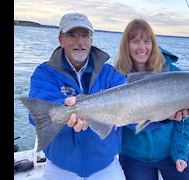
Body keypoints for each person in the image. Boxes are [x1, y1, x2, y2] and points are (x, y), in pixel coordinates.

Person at [27, 12, 127, 180]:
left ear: (91, 40)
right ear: (60, 40)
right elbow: (36, 116)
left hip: (106, 166)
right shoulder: (44, 73)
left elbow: (132, 110)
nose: (80, 42)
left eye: (85, 35)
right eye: (72, 36)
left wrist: (165, 115)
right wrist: (64, 109)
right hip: (60, 167)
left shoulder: (110, 73)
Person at [114, 19, 189, 180]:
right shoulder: (116, 77)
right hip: (133, 157)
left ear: (153, 44)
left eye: (147, 41)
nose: (142, 47)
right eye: (135, 41)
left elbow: (185, 121)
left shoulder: (173, 74)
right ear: (126, 45)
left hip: (171, 153)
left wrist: (180, 153)